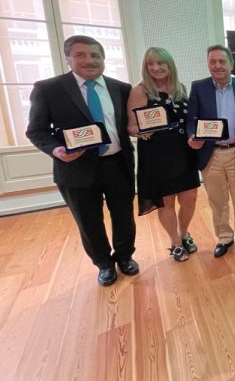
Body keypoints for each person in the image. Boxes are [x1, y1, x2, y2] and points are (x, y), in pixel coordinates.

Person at [26, 35, 138, 286]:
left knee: (124, 215)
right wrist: (56, 150)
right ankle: (104, 264)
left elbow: (127, 125)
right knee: (88, 221)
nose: (89, 60)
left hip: (118, 164)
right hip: (75, 168)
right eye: (80, 55)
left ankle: (124, 256)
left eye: (95, 55)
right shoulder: (49, 89)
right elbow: (36, 130)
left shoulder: (121, 88)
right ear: (68, 59)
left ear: (103, 59)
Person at [127, 47, 200, 262]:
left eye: (160, 63)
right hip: (157, 155)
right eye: (150, 64)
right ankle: (175, 242)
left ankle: (184, 233)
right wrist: (141, 131)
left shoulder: (180, 88)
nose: (156, 68)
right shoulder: (140, 91)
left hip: (184, 152)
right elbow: (131, 126)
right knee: (166, 202)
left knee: (190, 198)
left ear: (170, 65)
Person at [187, 45, 235, 257]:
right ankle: (224, 237)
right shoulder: (199, 87)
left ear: (231, 64)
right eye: (212, 62)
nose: (217, 66)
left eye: (222, 61)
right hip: (210, 152)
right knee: (217, 200)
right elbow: (191, 119)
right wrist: (191, 136)